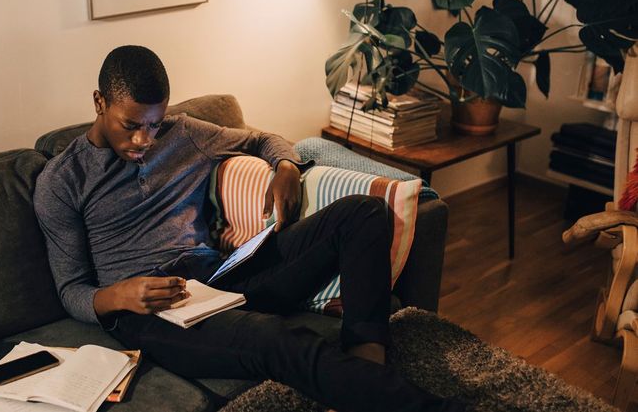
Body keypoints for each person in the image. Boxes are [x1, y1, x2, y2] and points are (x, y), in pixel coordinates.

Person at [34, 45, 464, 412]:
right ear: (99, 102)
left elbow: (262, 140)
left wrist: (287, 167)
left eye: (153, 123)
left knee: (364, 213)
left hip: (222, 277)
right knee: (275, 340)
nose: (144, 139)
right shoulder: (62, 180)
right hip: (150, 314)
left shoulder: (184, 133)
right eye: (131, 125)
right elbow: (71, 289)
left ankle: (367, 356)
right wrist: (121, 294)